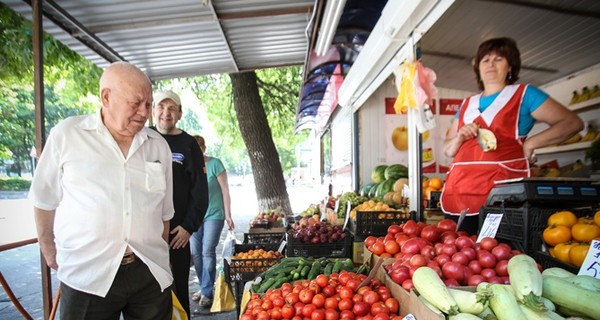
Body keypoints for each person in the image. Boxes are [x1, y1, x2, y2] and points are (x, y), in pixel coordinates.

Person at [30, 61, 174, 319]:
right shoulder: (68, 135)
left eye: (148, 104)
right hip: (88, 274)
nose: (144, 112)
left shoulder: (158, 146)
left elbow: (164, 214)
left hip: (148, 273)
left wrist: (157, 256)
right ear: (106, 97)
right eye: (135, 102)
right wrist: (49, 249)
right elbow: (43, 198)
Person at [440, 37, 584, 235]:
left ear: (510, 66)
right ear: (478, 68)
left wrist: (532, 143)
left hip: (500, 194)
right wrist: (459, 138)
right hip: (459, 192)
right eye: (485, 60)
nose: (491, 64)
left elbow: (572, 123)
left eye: (499, 59)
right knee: (458, 253)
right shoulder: (466, 104)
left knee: (497, 255)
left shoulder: (524, 94)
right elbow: (448, 150)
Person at [151, 90, 209, 317]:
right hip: (147, 234)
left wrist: (188, 227)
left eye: (172, 108)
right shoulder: (143, 138)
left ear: (180, 114)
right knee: (148, 294)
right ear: (153, 110)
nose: (166, 113)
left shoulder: (188, 144)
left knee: (179, 291)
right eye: (161, 107)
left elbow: (200, 191)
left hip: (177, 234)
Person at [190, 135, 234, 308]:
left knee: (207, 251)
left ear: (204, 148)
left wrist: (228, 214)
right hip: (194, 216)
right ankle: (204, 286)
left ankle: (207, 293)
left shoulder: (215, 164)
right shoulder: (189, 167)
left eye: (198, 147)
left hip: (214, 215)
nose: (196, 151)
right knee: (196, 253)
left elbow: (225, 191)